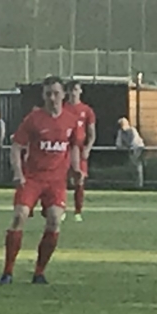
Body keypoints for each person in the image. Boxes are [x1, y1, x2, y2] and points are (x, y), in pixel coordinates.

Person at [1, 76, 82, 285]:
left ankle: (39, 272)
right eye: (48, 94)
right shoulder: (34, 119)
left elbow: (74, 146)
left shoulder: (71, 119)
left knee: (54, 220)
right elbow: (16, 147)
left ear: (63, 95)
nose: (52, 98)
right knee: (19, 216)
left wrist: (76, 168)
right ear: (43, 95)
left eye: (56, 93)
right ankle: (8, 271)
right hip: (32, 178)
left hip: (56, 181)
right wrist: (18, 172)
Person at [64, 80, 97, 219]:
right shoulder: (63, 108)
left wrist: (88, 148)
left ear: (80, 91)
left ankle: (78, 211)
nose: (73, 93)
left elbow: (92, 133)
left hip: (79, 147)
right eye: (71, 90)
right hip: (65, 148)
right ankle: (60, 209)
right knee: (62, 179)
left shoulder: (86, 110)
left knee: (80, 179)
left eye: (76, 90)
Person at [114, 116, 147, 188]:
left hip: (138, 148)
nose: (122, 127)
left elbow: (135, 141)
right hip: (130, 149)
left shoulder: (132, 130)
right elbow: (118, 143)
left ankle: (140, 184)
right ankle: (133, 183)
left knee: (137, 165)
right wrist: (121, 147)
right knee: (131, 166)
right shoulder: (120, 132)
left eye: (123, 124)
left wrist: (130, 147)